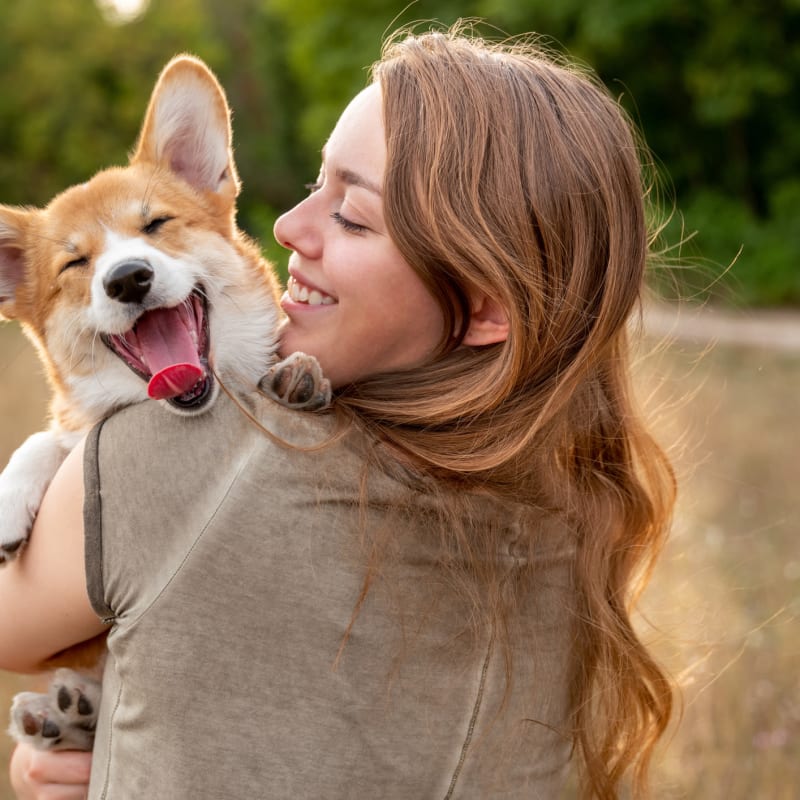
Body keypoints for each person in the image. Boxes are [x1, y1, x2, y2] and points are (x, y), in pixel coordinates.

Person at [3, 25, 676, 800]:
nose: (284, 227)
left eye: (352, 216)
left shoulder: (170, 457)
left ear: (486, 303)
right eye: (312, 186)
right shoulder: (576, 520)